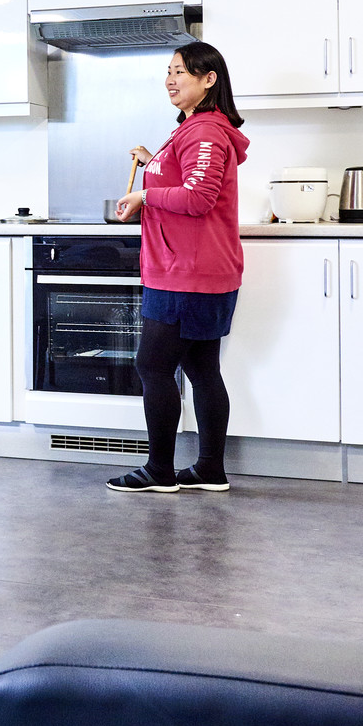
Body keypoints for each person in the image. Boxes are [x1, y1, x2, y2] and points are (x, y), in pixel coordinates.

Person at [106, 42, 249, 495]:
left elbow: (199, 197)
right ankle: (209, 468)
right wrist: (154, 163)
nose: (171, 79)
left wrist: (145, 195)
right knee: (202, 368)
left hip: (187, 271)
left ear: (210, 80)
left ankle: (160, 471)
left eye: (181, 72)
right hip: (194, 269)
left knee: (152, 365)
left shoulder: (205, 132)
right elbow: (189, 180)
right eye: (168, 71)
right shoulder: (193, 129)